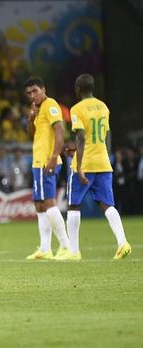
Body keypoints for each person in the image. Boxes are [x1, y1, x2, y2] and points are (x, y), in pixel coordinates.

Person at [65, 74, 131, 260]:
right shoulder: (104, 107)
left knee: (73, 204)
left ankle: (74, 251)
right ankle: (122, 242)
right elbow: (104, 135)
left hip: (85, 162)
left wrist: (78, 165)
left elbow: (81, 137)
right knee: (107, 204)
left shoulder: (77, 108)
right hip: (103, 160)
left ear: (78, 88)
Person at [24, 76, 75, 261]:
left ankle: (67, 246)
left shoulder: (51, 104)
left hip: (47, 161)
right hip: (38, 161)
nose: (32, 96)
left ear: (43, 90)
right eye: (29, 93)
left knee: (48, 202)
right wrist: (31, 119)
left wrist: (54, 156)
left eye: (35, 91)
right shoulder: (37, 110)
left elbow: (60, 130)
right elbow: (33, 135)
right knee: (39, 205)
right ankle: (45, 248)